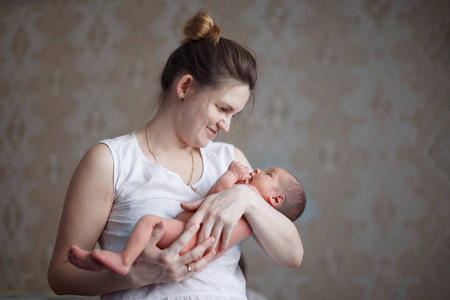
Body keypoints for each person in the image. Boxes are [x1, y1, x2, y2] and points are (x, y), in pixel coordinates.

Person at [48, 8, 303, 299]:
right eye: (222, 108)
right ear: (185, 86)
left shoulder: (230, 160)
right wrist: (137, 276)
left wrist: (247, 199)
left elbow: (292, 255)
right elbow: (60, 275)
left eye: (235, 115)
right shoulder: (110, 161)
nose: (227, 126)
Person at [67, 161, 306, 276]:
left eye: (267, 174)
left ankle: (124, 259)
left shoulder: (249, 196)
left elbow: (218, 193)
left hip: (190, 237)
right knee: (150, 225)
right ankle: (121, 262)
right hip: (191, 239)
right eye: (222, 108)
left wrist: (233, 176)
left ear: (276, 200)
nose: (257, 171)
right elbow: (215, 197)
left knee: (149, 222)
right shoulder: (252, 215)